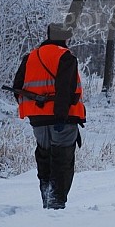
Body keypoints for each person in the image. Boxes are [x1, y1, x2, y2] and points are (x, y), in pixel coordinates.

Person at [13, 23, 86, 209]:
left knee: (44, 157)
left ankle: (47, 196)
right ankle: (56, 202)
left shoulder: (30, 56)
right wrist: (60, 116)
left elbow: (17, 87)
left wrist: (33, 109)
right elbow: (65, 89)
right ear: (63, 38)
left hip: (37, 119)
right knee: (61, 159)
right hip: (61, 118)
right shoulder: (65, 56)